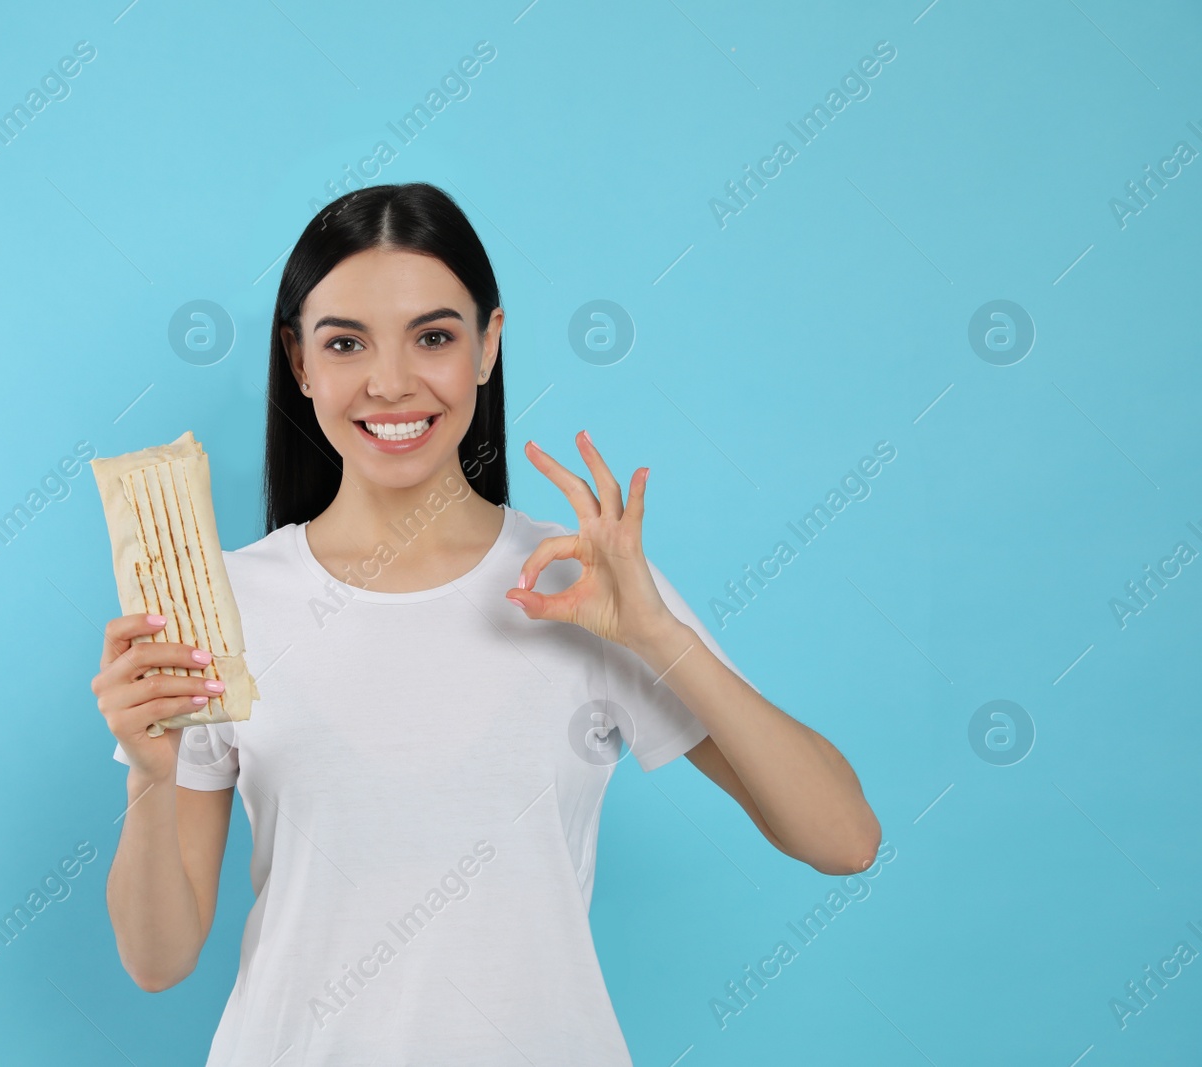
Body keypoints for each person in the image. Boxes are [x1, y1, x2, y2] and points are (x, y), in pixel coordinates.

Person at [93, 182, 880, 1065]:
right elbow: (157, 961)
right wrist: (151, 777)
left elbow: (845, 839)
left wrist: (659, 635)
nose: (391, 382)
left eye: (433, 336)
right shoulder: (225, 606)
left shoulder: (585, 584)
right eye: (345, 342)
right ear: (299, 361)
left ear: (487, 346)